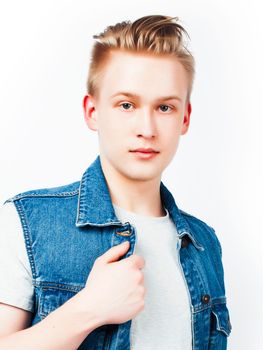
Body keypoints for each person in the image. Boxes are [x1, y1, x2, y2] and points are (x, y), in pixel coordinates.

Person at [0, 14, 231, 349]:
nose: (147, 128)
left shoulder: (204, 243)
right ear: (92, 111)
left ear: (185, 118)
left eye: (164, 108)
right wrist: (87, 310)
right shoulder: (27, 223)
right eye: (127, 104)